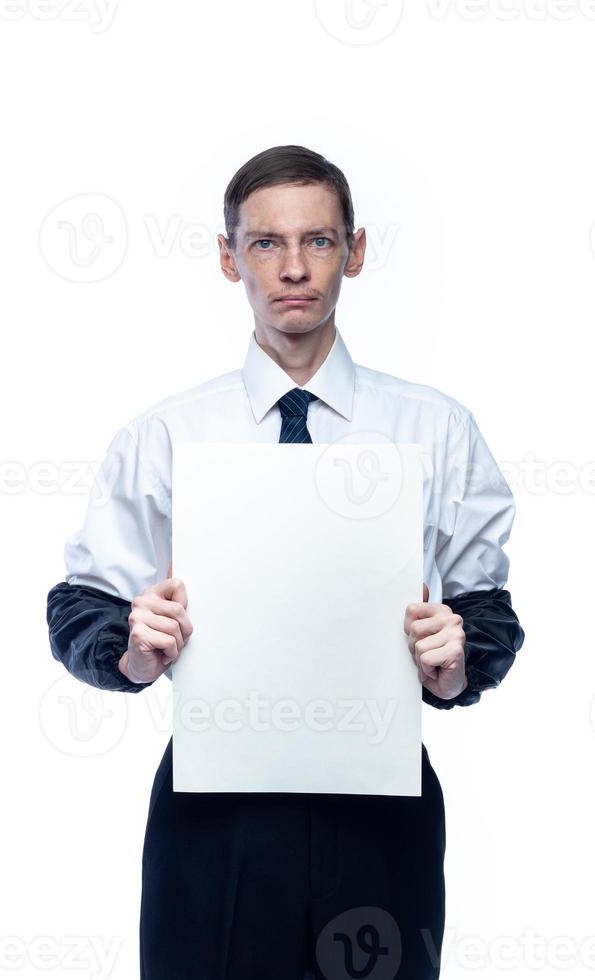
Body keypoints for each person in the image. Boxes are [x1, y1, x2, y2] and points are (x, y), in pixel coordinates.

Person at [47, 144, 525, 980]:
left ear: (357, 250)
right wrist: (132, 645)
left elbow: (485, 606)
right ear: (229, 257)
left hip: (381, 804)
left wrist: (452, 666)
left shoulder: (435, 428)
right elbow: (81, 600)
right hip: (213, 815)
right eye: (265, 243)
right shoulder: (166, 435)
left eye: (319, 241)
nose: (293, 267)